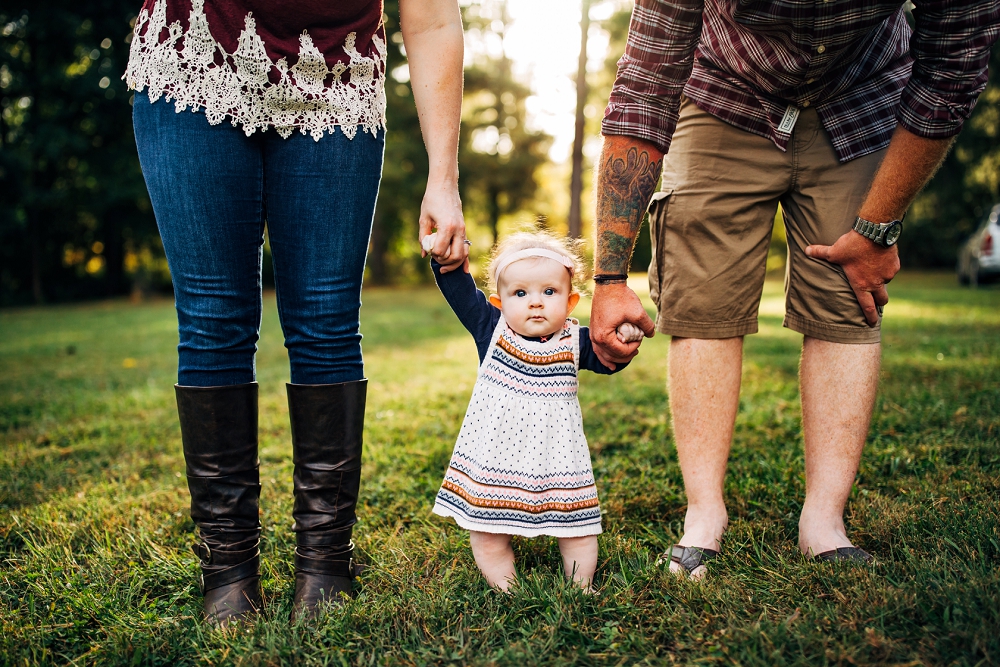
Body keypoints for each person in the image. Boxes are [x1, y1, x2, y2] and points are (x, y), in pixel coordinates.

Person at [587, 0, 1000, 577]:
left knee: (845, 300)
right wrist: (609, 277)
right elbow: (645, 88)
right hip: (725, 92)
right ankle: (703, 514)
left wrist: (876, 229)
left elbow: (951, 73)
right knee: (704, 298)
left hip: (864, 93)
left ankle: (824, 522)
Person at [126, 0, 468, 624]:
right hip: (194, 59)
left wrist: (442, 177)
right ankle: (227, 570)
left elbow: (434, 18)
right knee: (213, 320)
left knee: (327, 320)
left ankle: (325, 564)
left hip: (337, 84)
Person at [427, 232, 629, 592]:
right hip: (496, 457)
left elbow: (608, 358)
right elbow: (458, 291)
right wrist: (448, 260)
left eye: (549, 292)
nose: (535, 303)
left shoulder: (574, 340)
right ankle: (507, 589)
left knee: (578, 527)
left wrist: (624, 337)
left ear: (570, 302)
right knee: (488, 531)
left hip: (559, 458)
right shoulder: (492, 329)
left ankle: (580, 586)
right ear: (499, 302)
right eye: (520, 293)